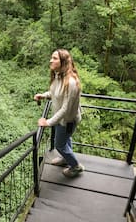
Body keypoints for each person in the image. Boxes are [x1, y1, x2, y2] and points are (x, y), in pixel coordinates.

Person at [34, 49, 84, 177]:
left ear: (63, 62)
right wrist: (43, 95)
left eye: (55, 58)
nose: (51, 60)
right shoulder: (58, 76)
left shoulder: (71, 83)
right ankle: (65, 159)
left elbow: (65, 109)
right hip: (61, 119)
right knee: (65, 140)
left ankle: (75, 166)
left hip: (67, 120)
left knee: (59, 145)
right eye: (52, 57)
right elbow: (55, 94)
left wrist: (48, 122)